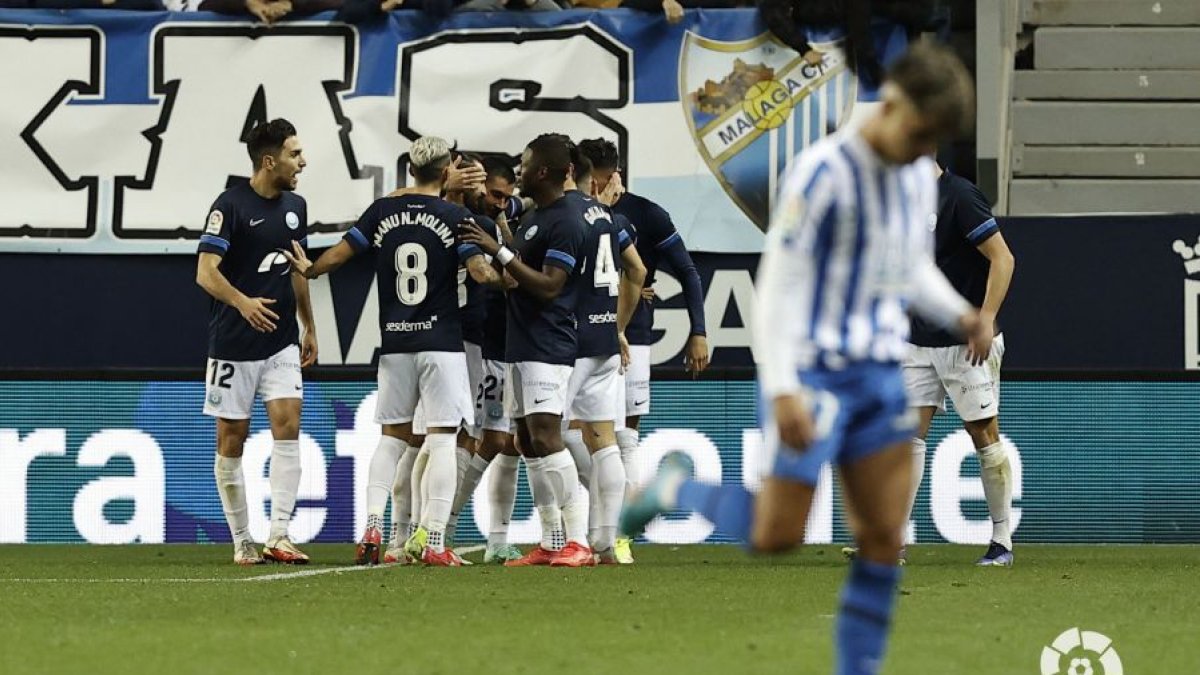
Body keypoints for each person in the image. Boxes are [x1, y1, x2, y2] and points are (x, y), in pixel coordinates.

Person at [621, 43, 981, 674]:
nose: (924, 151)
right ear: (892, 104)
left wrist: (961, 314)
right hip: (816, 374)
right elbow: (778, 286)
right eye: (921, 134)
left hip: (880, 372)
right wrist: (783, 385)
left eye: (935, 142)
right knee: (777, 534)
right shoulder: (820, 174)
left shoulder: (913, 176)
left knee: (883, 537)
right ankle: (678, 486)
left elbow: (909, 266)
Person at [284, 136, 500, 567]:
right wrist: (503, 274)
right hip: (442, 343)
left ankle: (371, 525)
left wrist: (310, 268)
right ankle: (434, 540)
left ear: (411, 170)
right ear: (446, 172)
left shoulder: (382, 211)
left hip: (396, 342)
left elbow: (339, 255)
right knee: (443, 439)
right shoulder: (456, 217)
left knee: (391, 439)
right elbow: (479, 272)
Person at [459, 134, 593, 568]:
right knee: (526, 441)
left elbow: (551, 286)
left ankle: (579, 541)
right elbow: (516, 269)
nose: (520, 170)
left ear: (542, 172)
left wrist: (496, 250)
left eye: (526, 163)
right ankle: (552, 540)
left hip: (546, 344)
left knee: (547, 437)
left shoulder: (566, 221)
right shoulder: (537, 216)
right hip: (519, 344)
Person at [578, 137, 709, 564]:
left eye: (598, 180)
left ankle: (619, 536)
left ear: (614, 175)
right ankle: (589, 531)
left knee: (625, 438)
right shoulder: (574, 212)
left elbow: (687, 271)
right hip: (581, 336)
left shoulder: (648, 214)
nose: (591, 187)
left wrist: (699, 331)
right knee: (582, 436)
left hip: (631, 336)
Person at [196, 118, 316, 566]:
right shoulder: (229, 205)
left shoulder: (296, 207)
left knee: (288, 425)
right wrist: (242, 303)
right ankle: (242, 539)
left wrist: (309, 324)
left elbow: (297, 269)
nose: (302, 161)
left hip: (281, 339)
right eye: (294, 154)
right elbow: (205, 272)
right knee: (232, 438)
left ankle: (279, 534)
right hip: (233, 342)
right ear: (269, 161)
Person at [902, 164, 1016, 566]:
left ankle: (1001, 541)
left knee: (982, 432)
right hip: (917, 340)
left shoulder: (959, 196)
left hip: (964, 341)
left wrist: (986, 318)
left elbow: (1003, 258)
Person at [557, 145, 647, 564]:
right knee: (605, 439)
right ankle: (609, 540)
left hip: (567, 340)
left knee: (546, 435)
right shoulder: (613, 219)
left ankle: (570, 538)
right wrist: (618, 326)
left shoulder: (563, 217)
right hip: (604, 339)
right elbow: (638, 271)